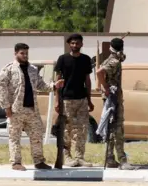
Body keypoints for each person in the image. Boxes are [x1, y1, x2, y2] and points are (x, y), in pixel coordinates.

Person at [0, 43, 64, 171]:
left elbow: (40, 85)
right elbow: (0, 88)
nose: (25, 55)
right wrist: (6, 107)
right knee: (14, 136)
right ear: (15, 53)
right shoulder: (8, 70)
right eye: (22, 53)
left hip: (31, 110)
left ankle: (39, 161)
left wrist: (54, 86)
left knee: (37, 135)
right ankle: (16, 162)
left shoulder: (32, 69)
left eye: (26, 53)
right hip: (16, 110)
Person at [54, 34, 94, 167]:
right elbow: (58, 81)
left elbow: (87, 80)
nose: (75, 45)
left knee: (82, 129)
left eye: (77, 43)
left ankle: (79, 157)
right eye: (72, 43)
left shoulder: (86, 59)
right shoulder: (63, 59)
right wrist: (56, 101)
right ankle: (66, 156)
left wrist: (89, 99)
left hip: (82, 99)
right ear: (69, 44)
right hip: (66, 99)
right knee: (67, 130)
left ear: (82, 44)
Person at [96, 38, 136, 170]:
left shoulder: (112, 59)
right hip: (113, 98)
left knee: (111, 128)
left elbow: (121, 58)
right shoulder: (113, 61)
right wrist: (106, 87)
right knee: (118, 128)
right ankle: (122, 160)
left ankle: (109, 159)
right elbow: (99, 72)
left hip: (112, 97)